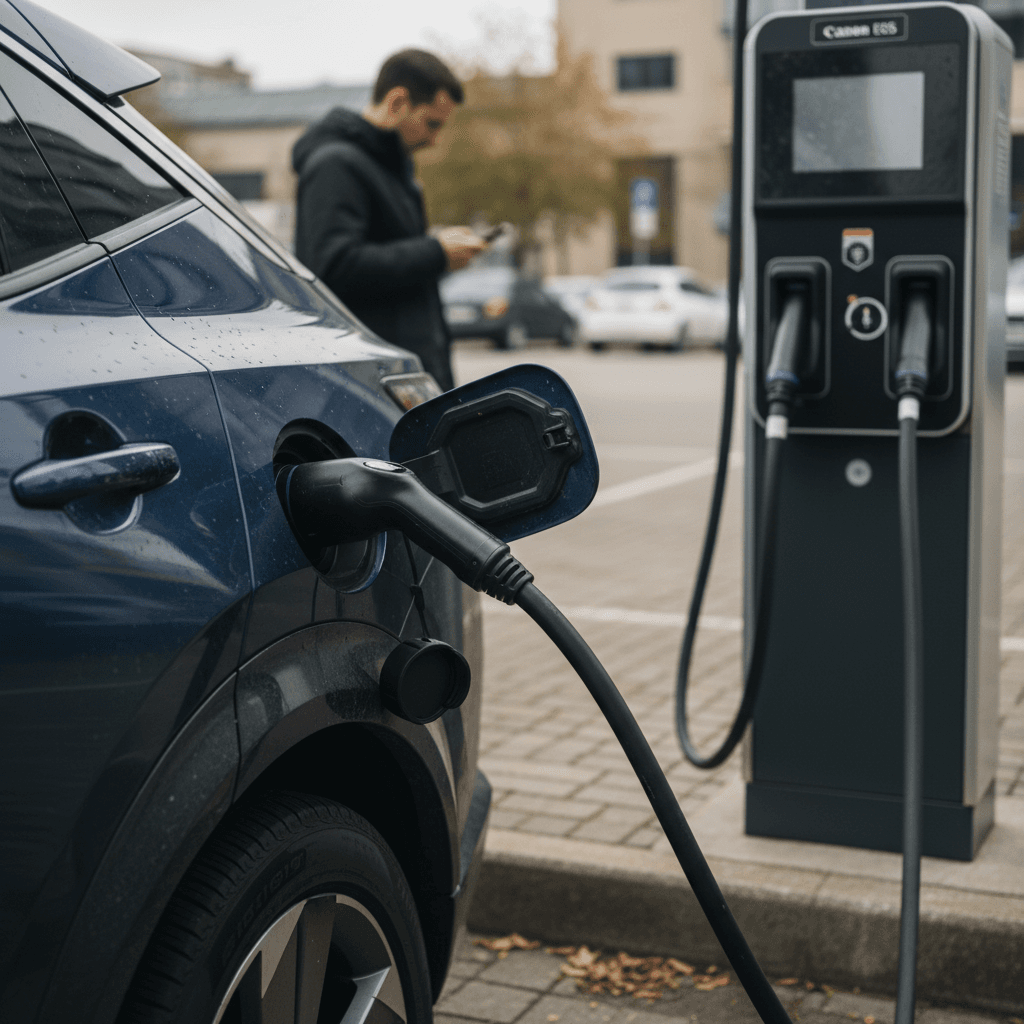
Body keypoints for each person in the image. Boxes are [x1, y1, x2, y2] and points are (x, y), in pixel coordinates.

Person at [291, 49, 485, 390]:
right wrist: (435, 252)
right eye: (432, 123)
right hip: (373, 383)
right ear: (397, 103)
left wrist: (437, 250)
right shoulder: (336, 165)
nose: (434, 139)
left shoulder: (389, 168)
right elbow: (333, 265)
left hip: (399, 377)